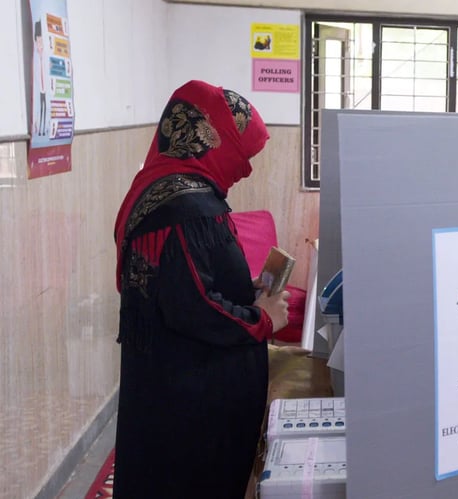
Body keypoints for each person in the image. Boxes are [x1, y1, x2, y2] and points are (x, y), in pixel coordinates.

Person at [112, 80, 291, 497]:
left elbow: (184, 282)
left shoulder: (168, 189)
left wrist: (243, 288)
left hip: (172, 382)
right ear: (210, 138)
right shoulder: (184, 207)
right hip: (191, 400)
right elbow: (193, 306)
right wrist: (262, 318)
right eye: (242, 154)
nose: (246, 169)